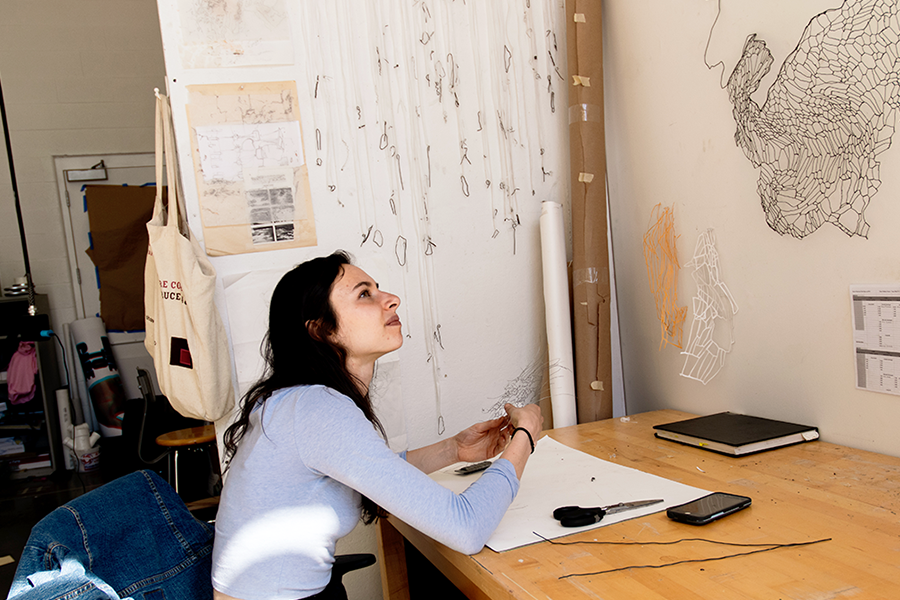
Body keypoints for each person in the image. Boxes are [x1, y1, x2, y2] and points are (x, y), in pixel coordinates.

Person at [211, 250, 543, 600]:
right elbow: (467, 528)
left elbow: (369, 473)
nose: (391, 300)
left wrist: (454, 449)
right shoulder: (316, 409)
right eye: (364, 294)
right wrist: (526, 437)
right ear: (322, 330)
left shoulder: (294, 403)